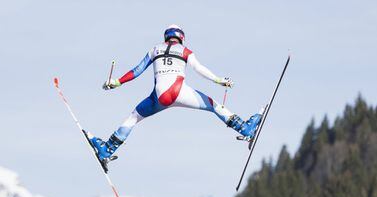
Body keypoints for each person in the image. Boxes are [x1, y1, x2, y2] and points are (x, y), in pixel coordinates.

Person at [88, 24, 263, 161]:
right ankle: (245, 129)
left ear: (166, 37)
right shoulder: (185, 51)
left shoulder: (154, 49)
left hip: (159, 98)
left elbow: (137, 70)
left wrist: (116, 82)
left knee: (133, 117)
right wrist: (218, 80)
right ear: (181, 38)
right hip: (179, 92)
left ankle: (107, 150)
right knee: (213, 105)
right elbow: (199, 69)